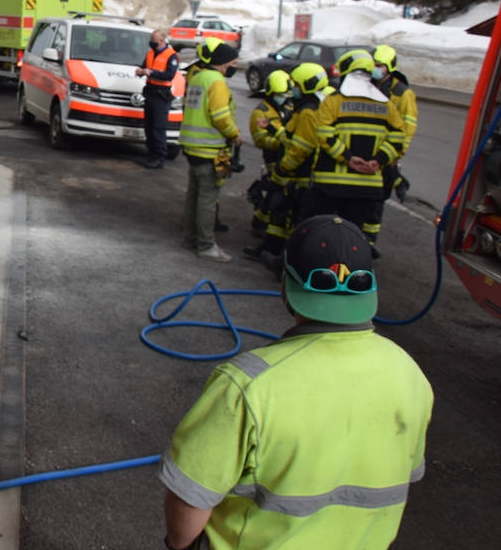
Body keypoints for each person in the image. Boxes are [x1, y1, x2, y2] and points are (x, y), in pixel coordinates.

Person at [160, 215, 433, 550]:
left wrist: (180, 546)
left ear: (287, 288)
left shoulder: (247, 386)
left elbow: (190, 499)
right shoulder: (409, 373)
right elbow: (407, 471)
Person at [306, 49, 406, 246]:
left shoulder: (334, 101)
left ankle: (315, 272)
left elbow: (324, 136)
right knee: (351, 238)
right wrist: (379, 160)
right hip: (367, 187)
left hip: (330, 184)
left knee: (319, 235)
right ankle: (346, 274)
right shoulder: (387, 106)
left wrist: (348, 158)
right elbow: (398, 139)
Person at [256, 62, 328, 271]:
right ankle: (276, 252)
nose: (293, 88)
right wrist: (270, 126)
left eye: (296, 84)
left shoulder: (308, 112)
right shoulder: (306, 107)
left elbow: (300, 148)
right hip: (299, 174)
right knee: (285, 215)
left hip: (301, 175)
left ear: (306, 84)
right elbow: (289, 137)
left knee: (298, 221)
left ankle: (290, 265)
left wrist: (282, 169)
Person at [180, 37, 242, 262]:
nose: (233, 67)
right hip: (209, 148)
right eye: (232, 63)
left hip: (192, 146)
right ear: (224, 63)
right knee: (207, 198)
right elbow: (220, 116)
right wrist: (234, 134)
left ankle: (189, 238)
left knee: (194, 195)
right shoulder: (216, 81)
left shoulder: (198, 77)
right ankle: (206, 246)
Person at [364, 44, 417, 248]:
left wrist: (396, 154)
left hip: (386, 153)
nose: (375, 69)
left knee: (378, 199)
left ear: (389, 67)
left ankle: (369, 241)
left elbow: (408, 127)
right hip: (365, 149)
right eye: (374, 65)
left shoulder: (402, 93)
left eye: (379, 66)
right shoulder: (367, 85)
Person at [243, 70, 293, 251]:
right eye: (280, 95)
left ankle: (259, 221)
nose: (284, 98)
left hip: (286, 156)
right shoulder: (261, 112)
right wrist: (283, 142)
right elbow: (260, 139)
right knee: (276, 192)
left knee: (275, 192)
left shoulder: (287, 107)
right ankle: (262, 226)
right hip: (273, 157)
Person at [136, 28, 179, 169]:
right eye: (151, 40)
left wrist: (152, 73)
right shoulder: (150, 53)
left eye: (154, 40)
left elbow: (169, 75)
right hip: (150, 92)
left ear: (161, 41)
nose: (151, 43)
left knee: (158, 127)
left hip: (161, 95)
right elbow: (144, 67)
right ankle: (151, 155)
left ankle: (159, 157)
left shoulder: (171, 55)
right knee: (148, 126)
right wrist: (140, 71)